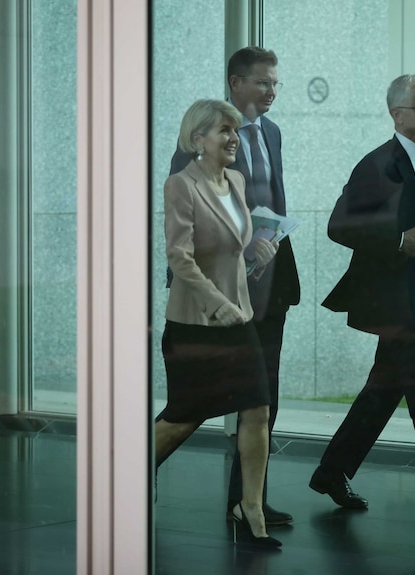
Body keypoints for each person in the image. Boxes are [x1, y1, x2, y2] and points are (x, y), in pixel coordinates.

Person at [311, 74, 415, 522]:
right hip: (393, 299)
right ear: (397, 115)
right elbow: (338, 226)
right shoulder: (376, 166)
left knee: (383, 391)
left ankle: (332, 470)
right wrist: (395, 239)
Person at [165, 46, 300, 528]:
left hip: (269, 283)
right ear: (234, 82)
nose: (270, 92)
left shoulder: (273, 134)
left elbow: (272, 202)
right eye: (262, 82)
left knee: (263, 397)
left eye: (275, 84)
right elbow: (188, 223)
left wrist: (274, 244)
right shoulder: (201, 141)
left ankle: (247, 502)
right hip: (219, 288)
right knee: (191, 407)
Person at [155, 98, 281, 549]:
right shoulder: (179, 186)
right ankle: (129, 475)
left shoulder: (237, 181)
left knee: (258, 409)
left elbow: (231, 249)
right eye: (224, 131)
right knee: (183, 418)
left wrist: (256, 259)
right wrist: (215, 303)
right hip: (195, 322)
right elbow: (179, 257)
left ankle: (250, 506)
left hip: (238, 315)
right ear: (197, 140)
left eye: (235, 130)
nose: (234, 138)